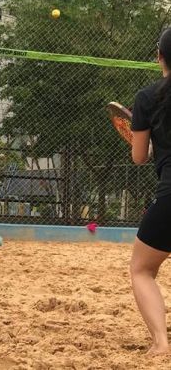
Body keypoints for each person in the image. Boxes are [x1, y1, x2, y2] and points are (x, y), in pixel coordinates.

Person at [130, 28, 171, 355]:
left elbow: (139, 157)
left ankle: (160, 343)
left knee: (142, 269)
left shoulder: (147, 97)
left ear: (159, 57)